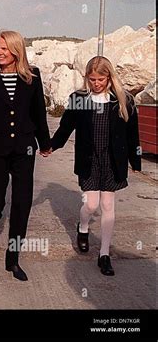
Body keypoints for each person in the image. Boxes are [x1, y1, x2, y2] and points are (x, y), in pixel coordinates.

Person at [0, 30, 51, 281]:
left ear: (16, 50)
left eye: (4, 48)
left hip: (24, 148)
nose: (0, 53)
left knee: (22, 203)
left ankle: (12, 259)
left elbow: (39, 113)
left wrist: (44, 143)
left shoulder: (32, 77)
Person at [50, 56, 141, 276]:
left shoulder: (123, 100)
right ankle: (82, 228)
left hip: (112, 161)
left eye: (101, 79)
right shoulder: (79, 99)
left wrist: (135, 161)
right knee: (91, 205)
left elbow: (132, 134)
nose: (96, 83)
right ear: (87, 78)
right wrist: (51, 146)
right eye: (92, 79)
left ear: (109, 77)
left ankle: (104, 254)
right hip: (89, 159)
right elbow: (66, 127)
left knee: (108, 205)